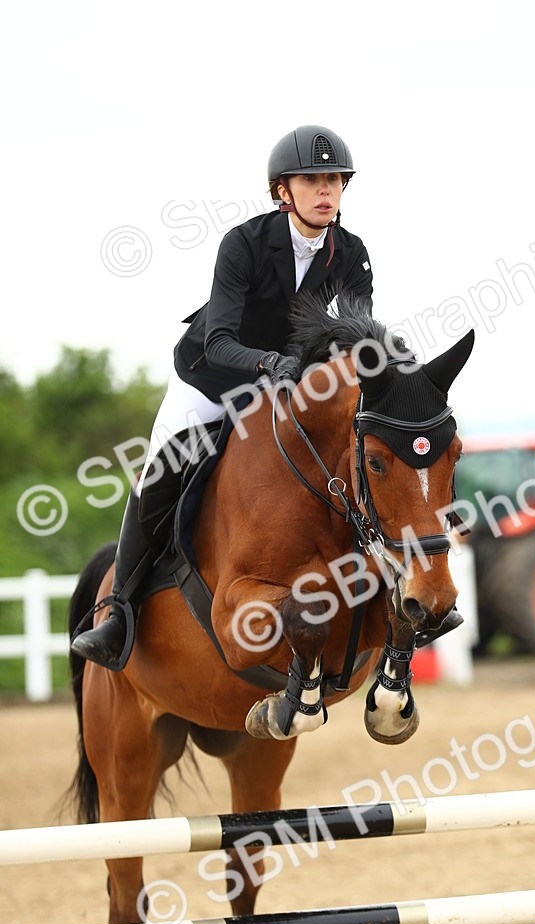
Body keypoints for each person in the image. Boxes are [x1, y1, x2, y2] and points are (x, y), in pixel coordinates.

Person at [72, 124, 373, 669]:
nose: (325, 190)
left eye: (334, 179)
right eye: (312, 180)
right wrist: (272, 364)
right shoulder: (244, 243)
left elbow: (356, 336)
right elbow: (218, 341)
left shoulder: (350, 253)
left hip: (286, 386)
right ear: (284, 191)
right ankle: (118, 612)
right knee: (161, 471)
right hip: (210, 378)